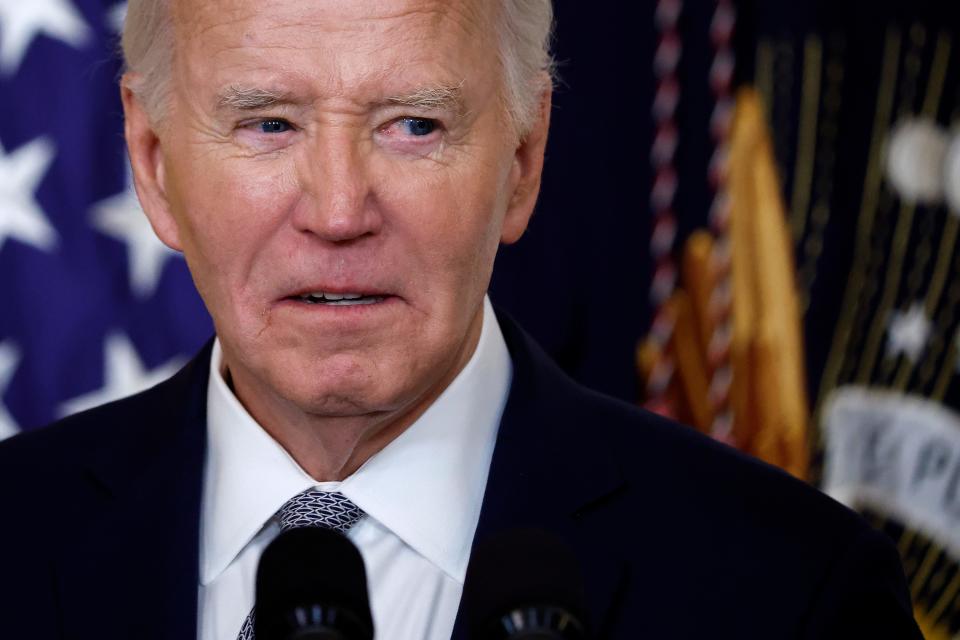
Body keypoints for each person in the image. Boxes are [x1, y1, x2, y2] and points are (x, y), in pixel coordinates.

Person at [0, 0, 923, 638]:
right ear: (154, 162)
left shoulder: (791, 594)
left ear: (522, 160)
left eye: (413, 125)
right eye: (269, 123)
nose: (336, 209)